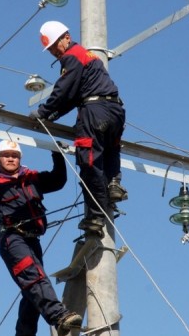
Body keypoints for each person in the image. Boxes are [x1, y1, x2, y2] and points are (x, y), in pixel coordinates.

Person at [0, 140, 82, 336]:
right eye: (6, 155)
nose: (11, 158)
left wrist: (57, 154)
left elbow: (58, 180)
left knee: (32, 294)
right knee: (33, 278)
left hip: (33, 240)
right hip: (12, 239)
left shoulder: (32, 179)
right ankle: (59, 316)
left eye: (15, 155)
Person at [29, 20, 128, 235]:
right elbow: (72, 97)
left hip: (94, 112)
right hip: (115, 111)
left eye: (56, 45)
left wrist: (44, 112)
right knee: (110, 150)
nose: (55, 51)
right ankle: (113, 184)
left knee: (88, 161)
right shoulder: (88, 57)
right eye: (51, 49)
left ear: (67, 37)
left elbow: (64, 91)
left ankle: (95, 216)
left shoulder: (72, 56)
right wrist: (52, 115)